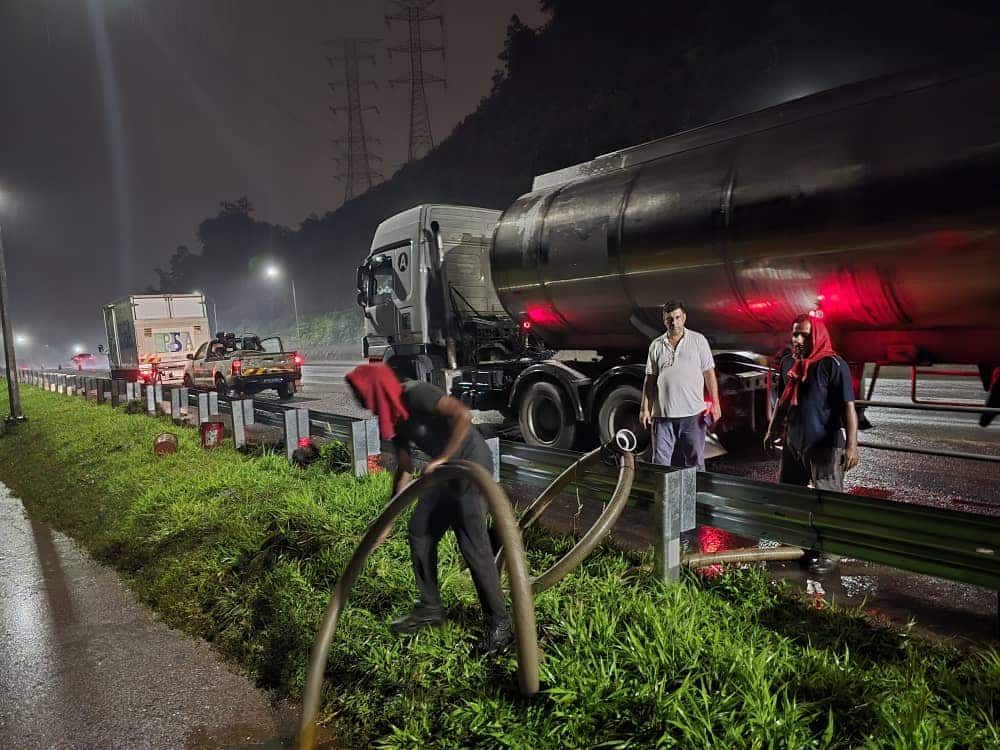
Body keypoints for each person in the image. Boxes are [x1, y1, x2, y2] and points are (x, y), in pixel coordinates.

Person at [345, 363, 514, 657]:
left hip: (471, 464)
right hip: (444, 472)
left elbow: (461, 415)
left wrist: (444, 457)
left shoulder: (415, 394)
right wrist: (387, 520)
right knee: (420, 530)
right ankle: (430, 608)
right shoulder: (394, 414)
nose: (360, 401)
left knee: (472, 544)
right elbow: (405, 467)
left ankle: (500, 626)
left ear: (375, 387)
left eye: (361, 394)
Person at [764, 314, 860, 491]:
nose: (798, 340)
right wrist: (772, 430)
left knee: (827, 498)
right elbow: (781, 401)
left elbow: (848, 406)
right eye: (795, 334)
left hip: (825, 447)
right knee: (790, 495)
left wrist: (852, 446)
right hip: (793, 443)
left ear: (818, 336)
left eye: (805, 335)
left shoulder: (833, 364)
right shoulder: (788, 363)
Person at [639, 300, 721, 469]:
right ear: (664, 320)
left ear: (684, 317)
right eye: (669, 319)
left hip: (692, 416)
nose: (674, 322)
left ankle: (696, 488)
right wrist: (644, 409)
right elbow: (650, 380)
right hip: (662, 417)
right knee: (660, 465)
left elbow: (709, 374)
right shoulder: (656, 345)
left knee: (695, 464)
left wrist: (716, 403)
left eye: (677, 317)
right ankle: (664, 488)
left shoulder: (698, 341)